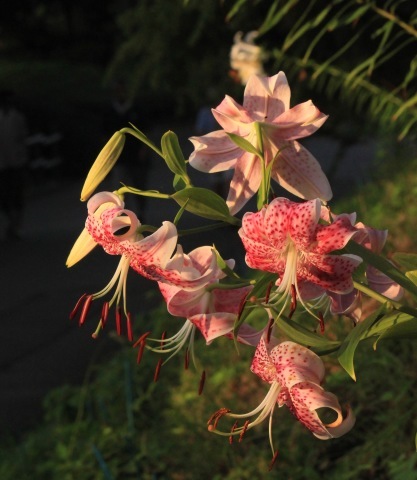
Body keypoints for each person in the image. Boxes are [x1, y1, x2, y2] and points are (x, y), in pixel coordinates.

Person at [0, 90, 29, 239]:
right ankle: (11, 222)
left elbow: (22, 138)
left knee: (16, 193)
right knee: (4, 195)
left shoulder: (17, 117)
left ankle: (16, 224)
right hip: (2, 163)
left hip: (16, 161)